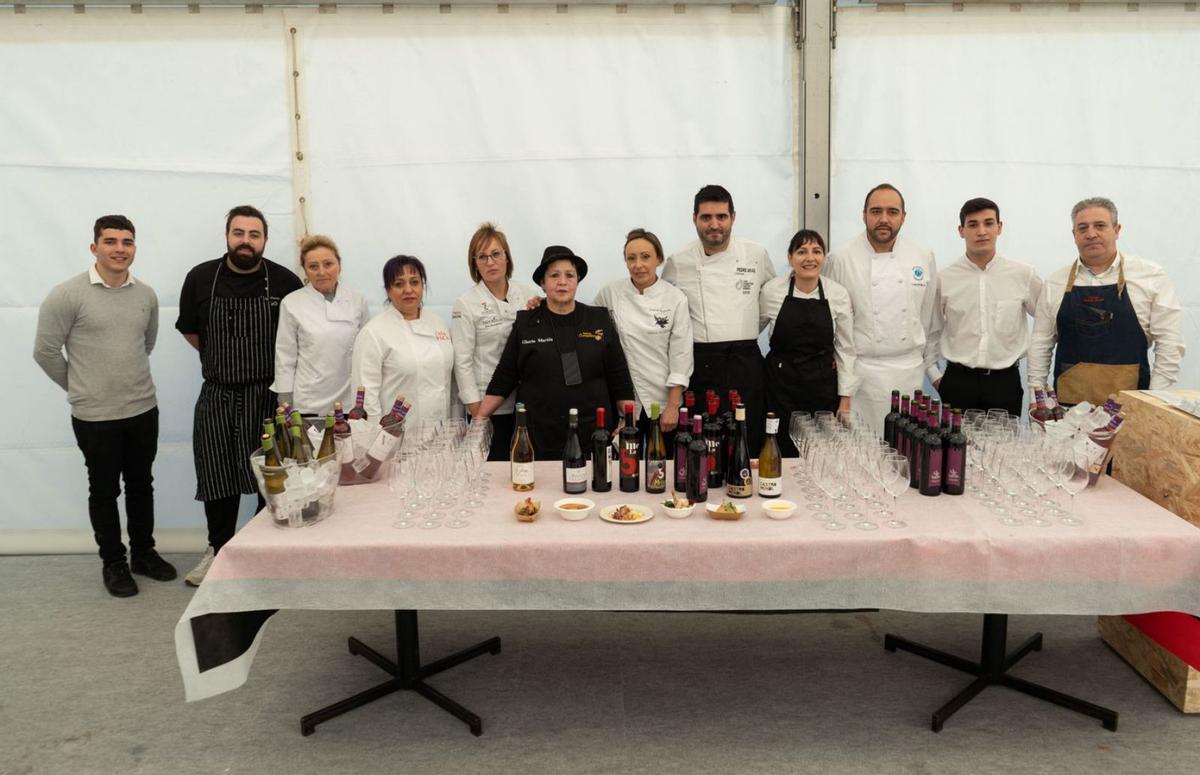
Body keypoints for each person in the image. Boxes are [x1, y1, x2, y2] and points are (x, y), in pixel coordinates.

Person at [33, 214, 176, 597]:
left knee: (141, 484)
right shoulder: (67, 295)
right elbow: (44, 351)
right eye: (110, 241)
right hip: (95, 416)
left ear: (134, 248)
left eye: (127, 242)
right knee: (104, 490)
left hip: (143, 408)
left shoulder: (145, 295)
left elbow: (145, 346)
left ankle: (143, 554)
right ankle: (113, 563)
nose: (119, 249)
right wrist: (80, 386)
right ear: (94, 247)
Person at [176, 205, 303, 585]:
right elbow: (192, 333)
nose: (245, 241)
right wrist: (226, 361)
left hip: (265, 395)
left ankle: (261, 552)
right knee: (217, 477)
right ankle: (218, 550)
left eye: (254, 234)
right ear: (227, 235)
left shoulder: (285, 282)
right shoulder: (200, 278)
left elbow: (298, 339)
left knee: (271, 479)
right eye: (238, 233)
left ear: (264, 240)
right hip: (216, 393)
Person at [475, 246, 635, 460]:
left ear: (578, 280)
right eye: (554, 275)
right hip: (539, 434)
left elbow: (619, 376)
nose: (562, 282)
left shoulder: (599, 319)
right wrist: (478, 422)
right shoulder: (526, 322)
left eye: (569, 275)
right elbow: (505, 377)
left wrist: (629, 420)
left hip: (594, 433)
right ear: (542, 283)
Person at [1029, 197, 1185, 406]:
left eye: (1100, 226)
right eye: (1082, 228)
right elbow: (1041, 344)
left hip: (1130, 410)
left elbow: (1170, 344)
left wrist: (1153, 402)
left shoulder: (1150, 276)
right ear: (1074, 235)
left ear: (1117, 229)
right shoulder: (1055, 282)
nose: (1091, 234)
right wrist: (1037, 399)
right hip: (1067, 411)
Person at [662, 185, 775, 448]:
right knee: (704, 441)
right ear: (694, 219)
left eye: (721, 217)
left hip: (745, 360)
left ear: (733, 217)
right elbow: (663, 304)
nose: (714, 225)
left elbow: (771, 300)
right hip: (701, 363)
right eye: (706, 217)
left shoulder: (756, 254)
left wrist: (744, 329)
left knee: (748, 437)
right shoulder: (679, 261)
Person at [824, 183, 939, 434]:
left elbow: (930, 320)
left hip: (909, 374)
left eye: (892, 212)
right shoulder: (841, 258)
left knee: (906, 452)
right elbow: (833, 327)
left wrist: (931, 368)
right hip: (861, 377)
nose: (883, 219)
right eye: (876, 211)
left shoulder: (922, 255)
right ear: (864, 215)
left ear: (904, 217)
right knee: (861, 456)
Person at [932, 198, 1042, 417]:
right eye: (973, 225)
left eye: (988, 223)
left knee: (1003, 450)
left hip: (1005, 383)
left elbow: (1047, 324)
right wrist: (934, 376)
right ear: (961, 230)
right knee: (955, 449)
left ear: (999, 228)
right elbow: (929, 330)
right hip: (957, 383)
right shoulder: (944, 279)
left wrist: (1036, 384)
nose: (981, 231)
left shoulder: (1023, 274)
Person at [759, 229, 859, 455]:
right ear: (790, 258)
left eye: (816, 251)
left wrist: (844, 400)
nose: (809, 258)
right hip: (780, 389)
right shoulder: (772, 291)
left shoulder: (838, 294)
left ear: (824, 257)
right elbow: (751, 330)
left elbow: (845, 350)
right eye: (801, 251)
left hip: (822, 390)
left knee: (820, 455)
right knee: (779, 451)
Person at [593, 228, 693, 442]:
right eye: (631, 258)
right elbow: (584, 320)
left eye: (645, 257)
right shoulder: (610, 293)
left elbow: (681, 356)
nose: (638, 265)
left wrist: (673, 406)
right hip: (623, 401)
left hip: (663, 400)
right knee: (624, 470)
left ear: (659, 259)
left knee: (664, 469)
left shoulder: (675, 298)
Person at [450, 223, 539, 460]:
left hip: (524, 401)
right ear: (475, 264)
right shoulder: (466, 303)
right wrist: (477, 410)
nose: (490, 262)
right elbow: (462, 360)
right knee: (493, 471)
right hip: (488, 404)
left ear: (507, 258)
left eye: (496, 254)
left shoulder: (527, 294)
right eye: (482, 257)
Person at [352, 255, 457, 438]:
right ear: (388, 290)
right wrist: (375, 442)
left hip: (441, 435)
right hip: (396, 438)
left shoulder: (439, 324)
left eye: (415, 282)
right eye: (399, 284)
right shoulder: (374, 333)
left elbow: (452, 384)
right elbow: (366, 398)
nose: (408, 290)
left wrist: (456, 427)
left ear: (423, 286)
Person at [271, 234, 370, 417]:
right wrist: (285, 401)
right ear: (305, 270)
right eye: (313, 266)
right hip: (309, 403)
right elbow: (285, 356)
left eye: (328, 264)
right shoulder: (292, 303)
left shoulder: (357, 301)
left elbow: (367, 352)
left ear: (339, 264)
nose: (322, 272)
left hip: (349, 401)